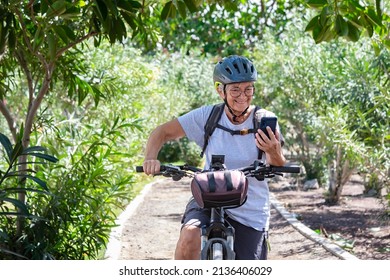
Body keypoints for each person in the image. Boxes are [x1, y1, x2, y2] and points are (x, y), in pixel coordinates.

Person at [142, 55, 286, 260]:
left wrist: (274, 152)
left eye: (248, 89)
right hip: (209, 197)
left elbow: (278, 165)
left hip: (250, 208)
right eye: (235, 89)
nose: (243, 96)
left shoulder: (262, 120)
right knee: (189, 235)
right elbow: (162, 132)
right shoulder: (208, 116)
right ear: (221, 90)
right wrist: (151, 158)